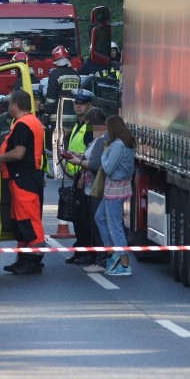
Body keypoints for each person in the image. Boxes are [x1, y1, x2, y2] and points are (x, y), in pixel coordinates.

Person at [0, 90, 46, 275]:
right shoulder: (30, 122)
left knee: (28, 219)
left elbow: (18, 153)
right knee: (20, 220)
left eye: (9, 104)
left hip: (23, 178)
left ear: (15, 105)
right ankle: (24, 259)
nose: (8, 108)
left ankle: (32, 260)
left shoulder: (23, 124)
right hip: (24, 178)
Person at [65, 108, 107, 267]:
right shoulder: (96, 139)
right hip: (88, 186)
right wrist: (79, 155)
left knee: (96, 223)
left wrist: (79, 162)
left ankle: (100, 258)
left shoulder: (101, 139)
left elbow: (96, 163)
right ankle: (95, 255)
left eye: (89, 125)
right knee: (90, 221)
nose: (87, 129)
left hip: (95, 188)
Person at [94, 115, 135, 276]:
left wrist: (104, 153)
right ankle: (112, 252)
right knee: (100, 217)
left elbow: (108, 168)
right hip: (120, 187)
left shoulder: (117, 146)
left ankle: (124, 264)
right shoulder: (127, 143)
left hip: (114, 189)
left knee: (115, 227)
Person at [44, 45, 79, 111]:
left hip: (57, 114)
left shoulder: (54, 74)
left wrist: (46, 113)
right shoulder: (76, 74)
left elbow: (51, 98)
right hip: (74, 112)